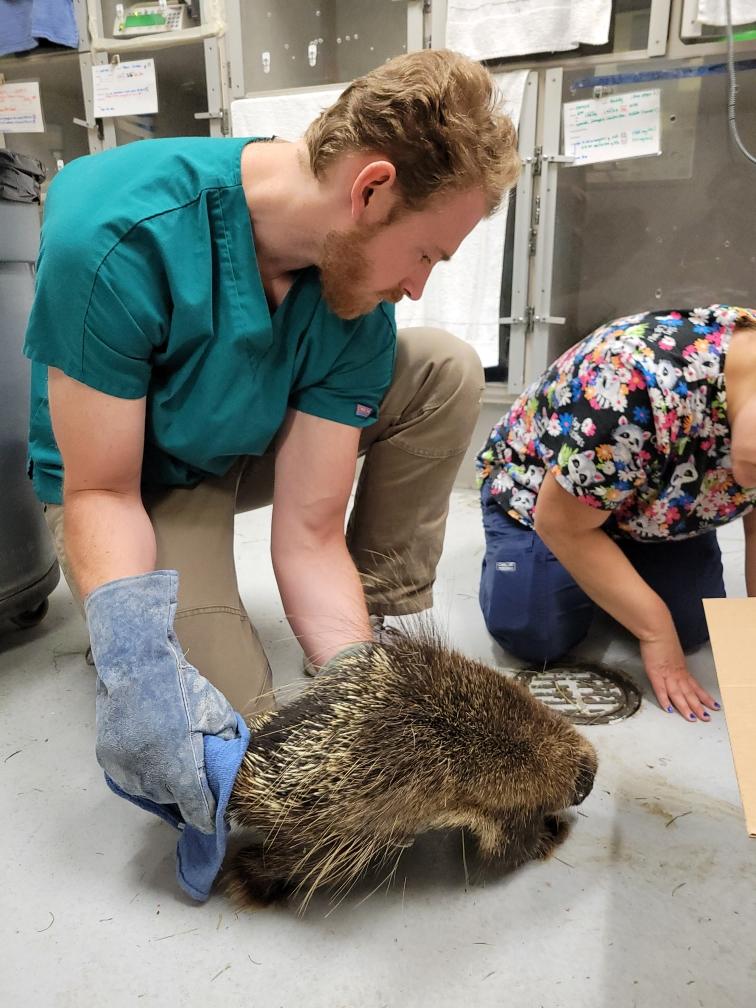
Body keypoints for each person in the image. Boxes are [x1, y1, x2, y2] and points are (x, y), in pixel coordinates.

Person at [23, 49, 521, 838]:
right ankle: (125, 626)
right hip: (135, 483)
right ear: (370, 188)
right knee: (246, 751)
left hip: (245, 433)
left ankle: (377, 634)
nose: (419, 285)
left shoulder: (356, 297)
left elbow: (311, 531)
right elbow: (100, 492)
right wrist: (136, 659)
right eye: (426, 253)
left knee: (443, 367)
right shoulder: (118, 232)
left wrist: (360, 687)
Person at [477, 305, 756, 722]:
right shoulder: (636, 377)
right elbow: (559, 523)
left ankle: (618, 572)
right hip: (545, 496)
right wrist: (653, 629)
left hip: (665, 505)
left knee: (693, 630)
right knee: (536, 632)